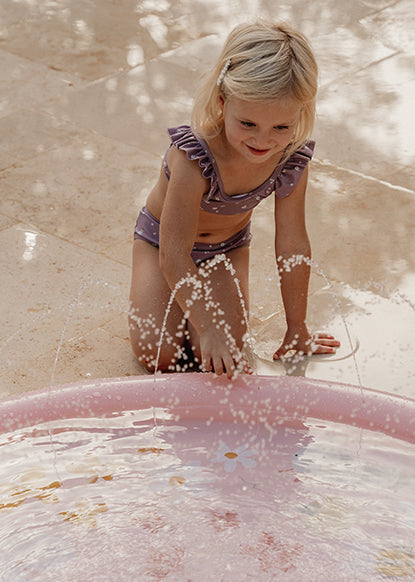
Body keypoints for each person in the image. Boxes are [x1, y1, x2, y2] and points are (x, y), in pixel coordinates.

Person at [129, 20, 340, 377]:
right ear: (223, 101)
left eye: (281, 127)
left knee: (225, 359)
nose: (263, 140)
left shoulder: (291, 158)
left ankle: (203, 320)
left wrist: (297, 328)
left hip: (225, 251)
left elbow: (292, 244)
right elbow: (174, 255)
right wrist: (207, 328)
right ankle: (153, 296)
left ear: (299, 115)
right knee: (160, 357)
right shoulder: (193, 158)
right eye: (248, 124)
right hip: (162, 245)